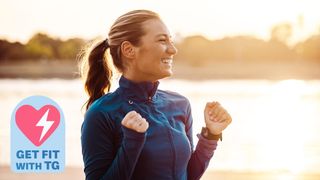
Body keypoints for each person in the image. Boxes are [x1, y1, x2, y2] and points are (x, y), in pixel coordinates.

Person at [80, 9, 232, 180]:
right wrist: (132, 142)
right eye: (162, 40)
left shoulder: (180, 104)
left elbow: (188, 175)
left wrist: (210, 135)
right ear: (129, 50)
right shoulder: (101, 113)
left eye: (171, 41)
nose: (173, 50)